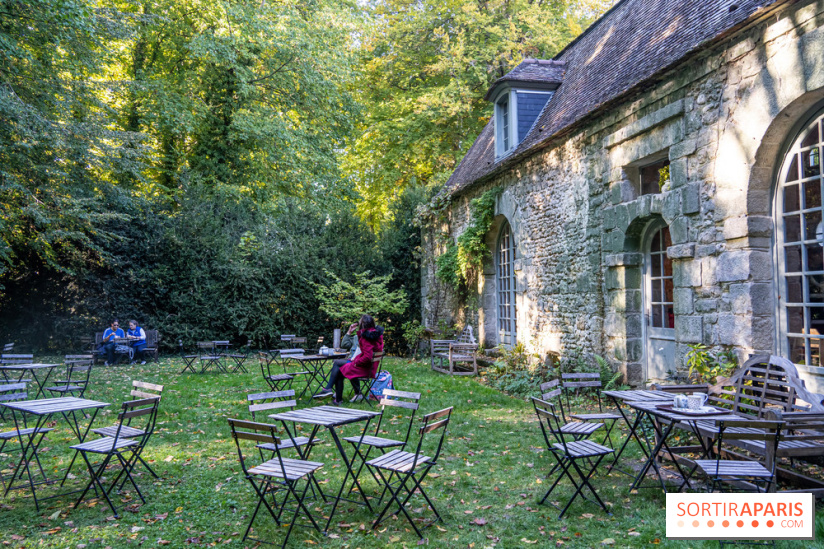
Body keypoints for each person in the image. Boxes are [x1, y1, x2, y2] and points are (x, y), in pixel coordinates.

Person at [314, 314, 384, 405]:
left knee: (337, 365)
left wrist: (356, 362)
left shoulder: (366, 337)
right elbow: (348, 346)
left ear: (362, 324)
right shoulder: (376, 335)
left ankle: (331, 392)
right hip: (371, 368)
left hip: (365, 368)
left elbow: (367, 357)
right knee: (339, 368)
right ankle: (334, 396)